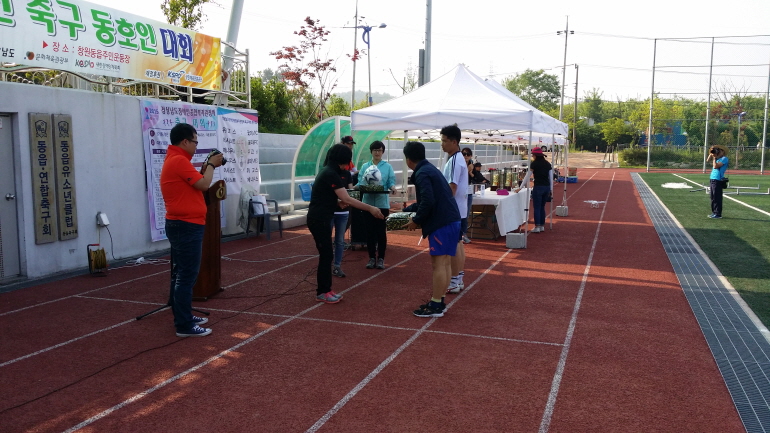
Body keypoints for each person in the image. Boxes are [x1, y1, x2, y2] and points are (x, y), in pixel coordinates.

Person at [160, 123, 223, 337]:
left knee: (182, 274)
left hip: (183, 224)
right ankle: (184, 324)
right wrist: (212, 165)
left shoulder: (176, 160)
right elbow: (204, 185)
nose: (196, 146)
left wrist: (206, 167)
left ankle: (183, 315)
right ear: (185, 141)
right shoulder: (178, 160)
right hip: (185, 225)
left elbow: (196, 184)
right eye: (195, 141)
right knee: (186, 276)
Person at [308, 144, 384, 303]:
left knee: (327, 255)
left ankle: (326, 289)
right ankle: (322, 292)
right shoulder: (330, 173)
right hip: (319, 219)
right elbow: (347, 198)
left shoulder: (328, 171)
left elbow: (326, 197)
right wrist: (370, 208)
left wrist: (336, 203)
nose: (347, 166)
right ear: (342, 160)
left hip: (321, 217)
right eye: (346, 162)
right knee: (326, 255)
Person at [402, 141, 461, 317]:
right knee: (445, 262)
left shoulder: (422, 173)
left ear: (408, 159)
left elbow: (428, 201)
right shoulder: (430, 169)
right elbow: (426, 200)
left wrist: (416, 220)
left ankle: (435, 305)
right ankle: (439, 301)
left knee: (438, 264)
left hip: (442, 222)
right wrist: (405, 211)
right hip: (451, 219)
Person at [357, 141, 396, 269]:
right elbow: (361, 181)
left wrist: (393, 187)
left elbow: (391, 181)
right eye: (375, 150)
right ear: (371, 151)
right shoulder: (365, 166)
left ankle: (381, 259)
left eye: (379, 150)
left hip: (382, 204)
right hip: (367, 204)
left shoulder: (387, 167)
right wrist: (354, 188)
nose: (377, 152)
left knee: (381, 233)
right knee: (369, 233)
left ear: (383, 152)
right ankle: (371, 258)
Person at [440, 125, 468, 294]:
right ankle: (458, 278)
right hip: (460, 209)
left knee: (455, 245)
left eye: (444, 141)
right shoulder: (458, 159)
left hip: (454, 210)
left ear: (454, 142)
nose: (442, 144)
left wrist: (441, 206)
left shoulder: (454, 161)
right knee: (458, 243)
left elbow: (452, 188)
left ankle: (455, 280)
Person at [515, 147, 553, 233]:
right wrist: (551, 189)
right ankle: (542, 225)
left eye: (533, 155)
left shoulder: (534, 164)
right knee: (542, 207)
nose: (532, 156)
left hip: (538, 187)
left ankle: (537, 226)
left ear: (535, 155)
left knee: (537, 207)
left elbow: (527, 176)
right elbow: (551, 178)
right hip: (546, 187)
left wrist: (520, 187)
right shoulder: (547, 164)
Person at [707, 145, 729, 219]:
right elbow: (707, 160)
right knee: (713, 197)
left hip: (718, 179)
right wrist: (711, 153)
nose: (718, 152)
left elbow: (715, 166)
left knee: (717, 197)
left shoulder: (724, 159)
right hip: (713, 178)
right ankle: (714, 212)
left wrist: (714, 158)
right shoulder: (717, 158)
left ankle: (718, 213)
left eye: (720, 150)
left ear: (723, 152)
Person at [461, 147, 474, 244]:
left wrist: (471, 172)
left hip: (469, 191)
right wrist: (467, 170)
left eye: (468, 154)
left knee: (466, 214)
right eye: (464, 154)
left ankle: (464, 233)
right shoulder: (460, 164)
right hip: (461, 192)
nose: (466, 156)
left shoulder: (471, 164)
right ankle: (460, 234)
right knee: (460, 214)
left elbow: (475, 177)